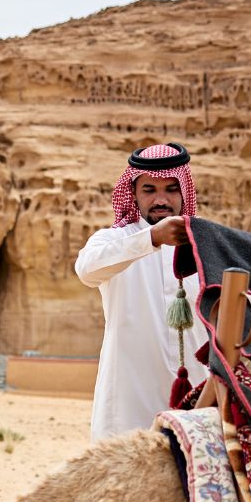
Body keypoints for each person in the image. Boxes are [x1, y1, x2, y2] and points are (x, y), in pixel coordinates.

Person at [74, 142, 206, 441]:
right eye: (149, 190)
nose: (161, 199)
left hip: (199, 396)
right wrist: (152, 239)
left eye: (171, 189)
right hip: (129, 398)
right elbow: (87, 270)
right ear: (133, 193)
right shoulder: (113, 240)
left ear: (184, 191)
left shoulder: (208, 244)